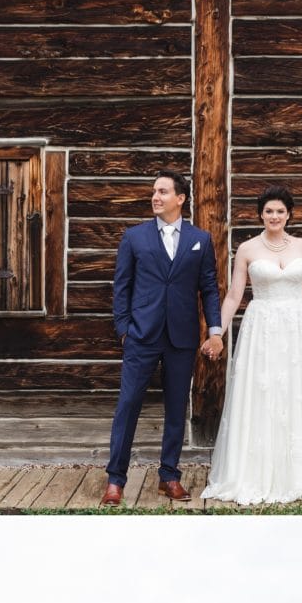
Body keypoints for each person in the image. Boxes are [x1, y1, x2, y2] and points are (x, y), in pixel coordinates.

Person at [201, 186, 302, 507]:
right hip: (261, 327)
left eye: (280, 211)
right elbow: (234, 296)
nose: (274, 216)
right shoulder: (248, 249)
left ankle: (297, 473)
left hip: (296, 327)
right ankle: (254, 472)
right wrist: (217, 332)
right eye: (269, 211)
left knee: (294, 394)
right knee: (261, 392)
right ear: (261, 215)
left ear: (289, 215)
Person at [101, 172, 223, 508]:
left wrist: (214, 330)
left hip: (181, 337)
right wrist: (124, 329)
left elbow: (209, 288)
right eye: (154, 191)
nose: (155, 196)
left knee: (176, 408)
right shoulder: (134, 237)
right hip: (141, 335)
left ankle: (169, 476)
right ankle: (115, 480)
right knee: (128, 405)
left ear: (180, 199)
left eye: (163, 191)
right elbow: (122, 286)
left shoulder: (200, 239)